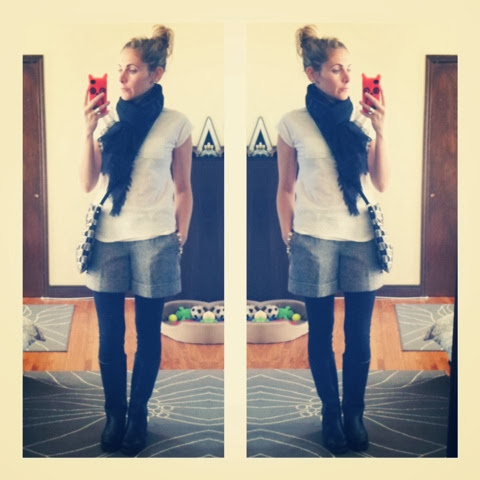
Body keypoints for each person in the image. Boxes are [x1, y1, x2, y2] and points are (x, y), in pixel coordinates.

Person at [80, 25, 193, 456]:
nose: (121, 77)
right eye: (119, 69)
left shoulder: (176, 123)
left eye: (131, 70)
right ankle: (115, 414)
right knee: (110, 337)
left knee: (148, 336)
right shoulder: (107, 120)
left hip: (157, 240)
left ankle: (138, 414)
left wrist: (180, 233)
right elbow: (88, 182)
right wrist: (88, 129)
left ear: (155, 74)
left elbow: (183, 187)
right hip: (109, 239)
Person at [276, 25, 389, 454]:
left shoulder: (361, 121)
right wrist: (288, 234)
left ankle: (354, 414)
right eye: (337, 69)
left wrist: (381, 129)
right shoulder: (292, 123)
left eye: (349, 69)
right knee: (320, 335)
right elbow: (285, 187)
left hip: (360, 238)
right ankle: (330, 413)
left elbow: (380, 182)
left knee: (358, 336)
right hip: (312, 239)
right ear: (313, 74)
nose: (347, 77)